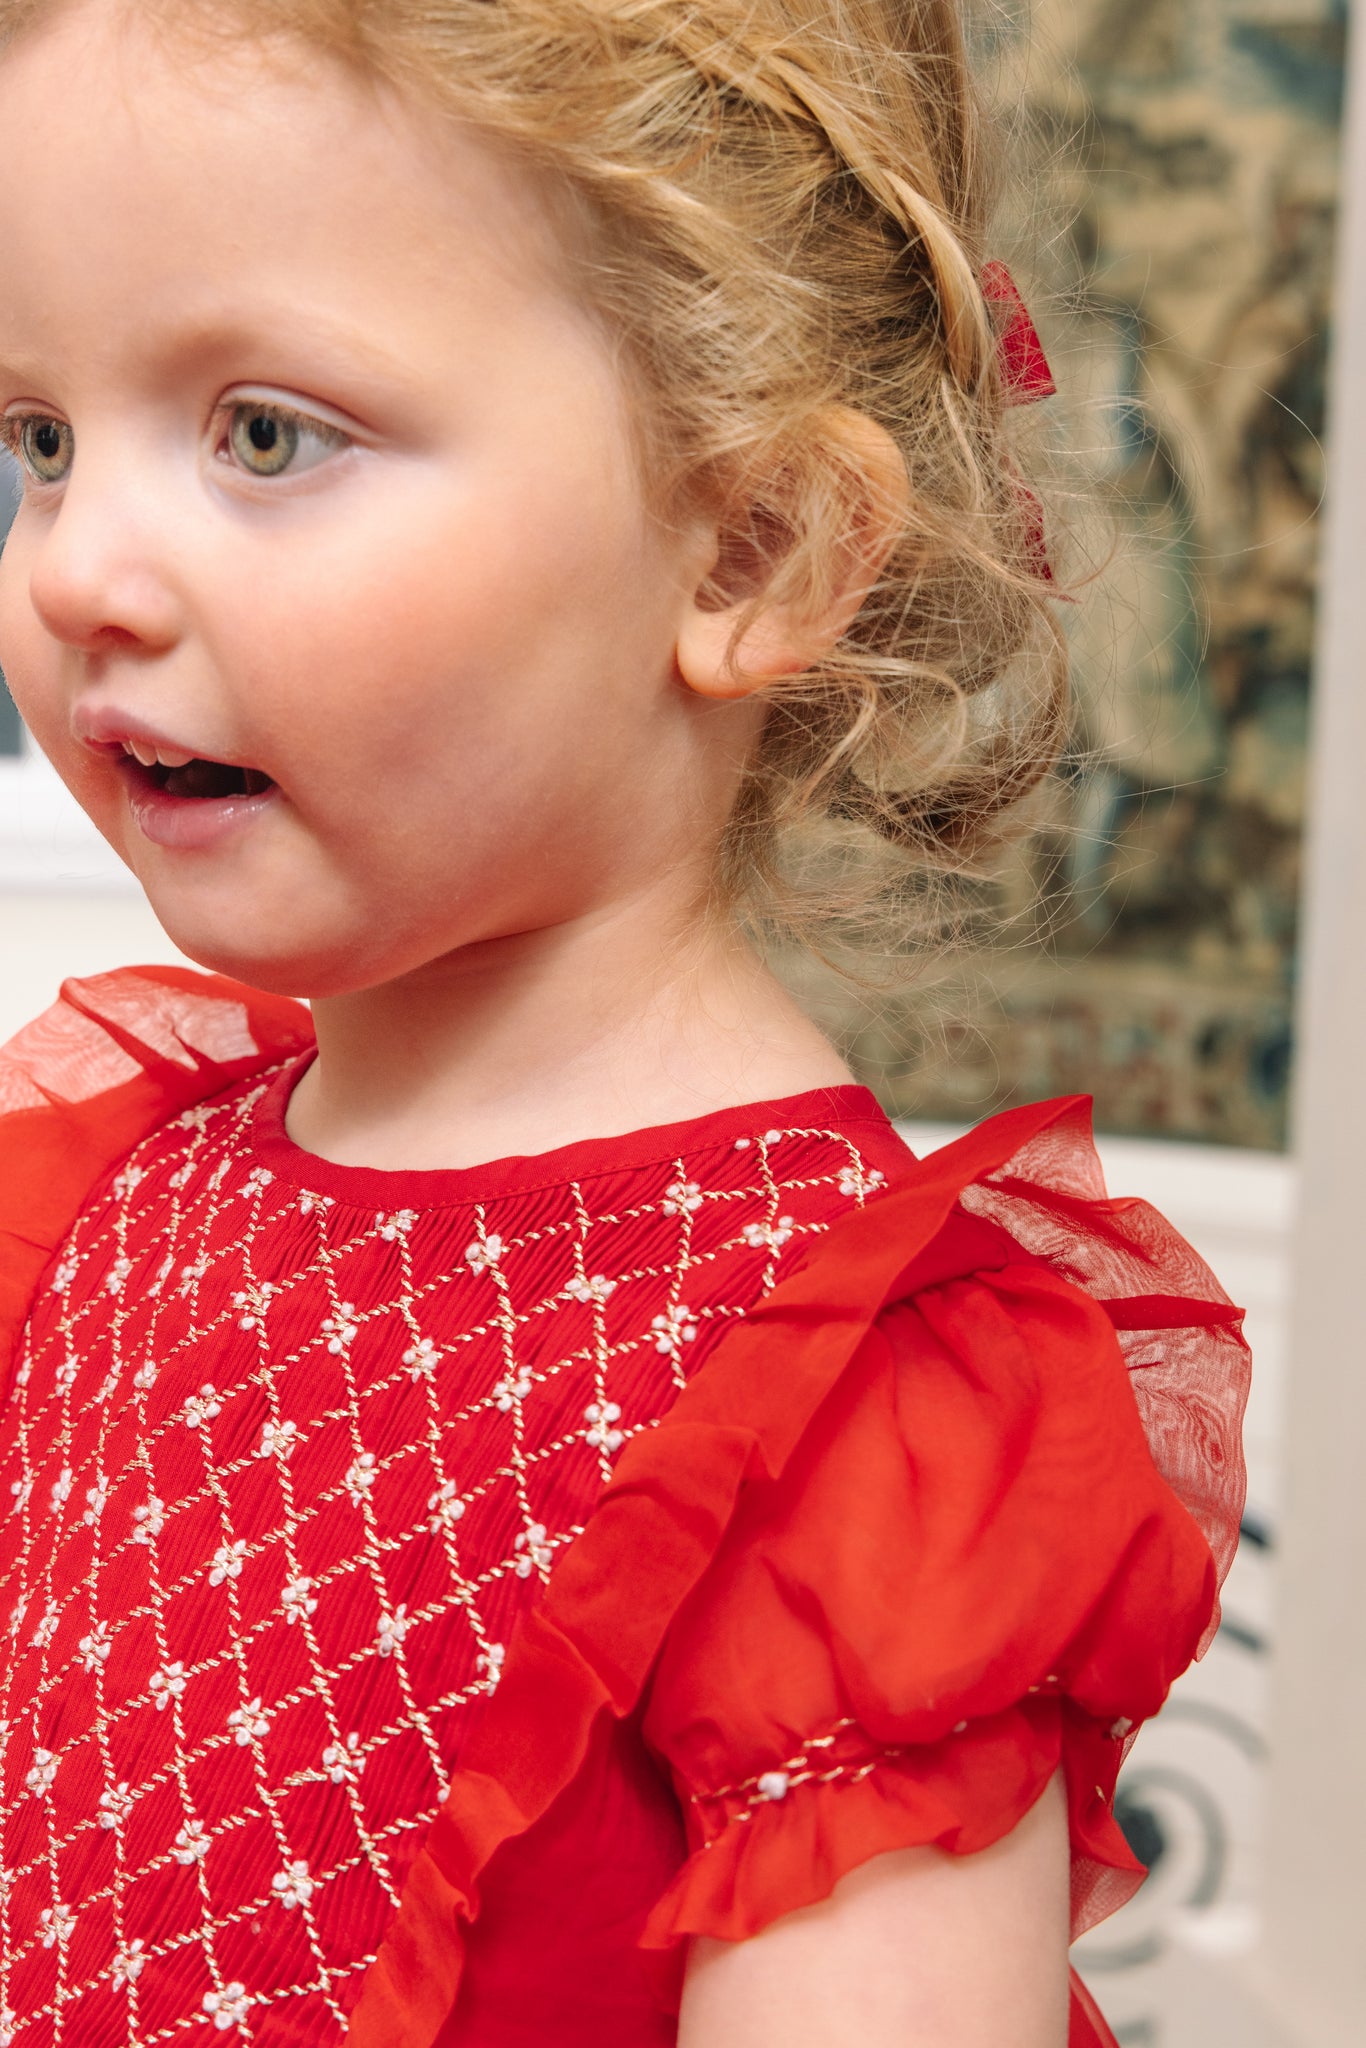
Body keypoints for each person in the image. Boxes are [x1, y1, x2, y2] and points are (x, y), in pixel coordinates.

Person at [0, 1, 1249, 2043]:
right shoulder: (106, 1190)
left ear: (749, 546)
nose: (77, 573)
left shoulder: (851, 1413)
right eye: (39, 438)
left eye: (261, 433)